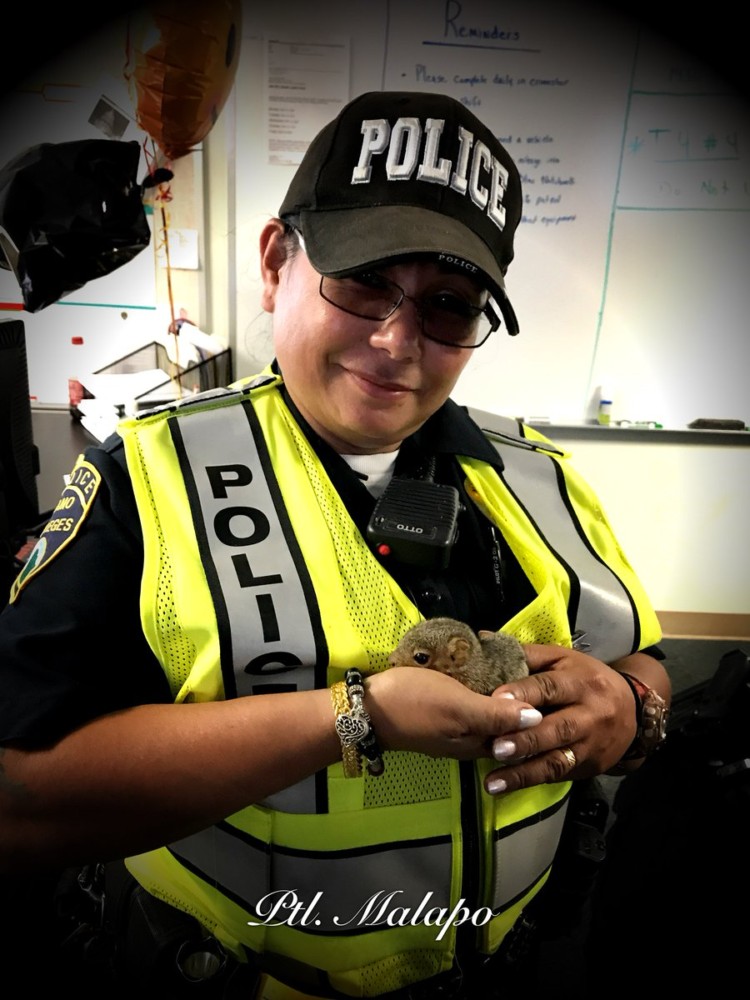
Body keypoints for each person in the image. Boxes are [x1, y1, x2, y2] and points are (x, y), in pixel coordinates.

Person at [0, 91, 670, 998]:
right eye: (362, 281)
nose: (397, 341)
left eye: (448, 306)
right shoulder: (147, 480)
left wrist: (632, 708)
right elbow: (19, 800)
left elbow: (641, 656)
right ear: (276, 263)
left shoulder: (538, 475)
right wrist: (356, 717)